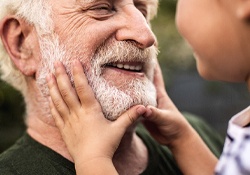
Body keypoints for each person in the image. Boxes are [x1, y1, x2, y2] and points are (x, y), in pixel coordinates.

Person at [0, 0, 223, 174]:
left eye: (142, 10)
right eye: (102, 8)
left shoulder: (198, 135)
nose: (146, 36)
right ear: (22, 44)